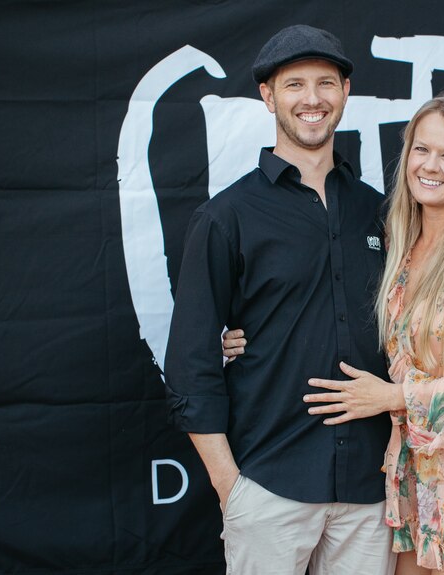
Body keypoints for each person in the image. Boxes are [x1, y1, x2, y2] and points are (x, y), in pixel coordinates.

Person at [163, 24, 396, 574]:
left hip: (370, 485)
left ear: (344, 93)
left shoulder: (381, 213)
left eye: (325, 83)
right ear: (268, 96)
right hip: (270, 482)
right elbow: (191, 361)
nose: (311, 99)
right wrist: (230, 486)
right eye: (294, 85)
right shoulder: (228, 216)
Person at [285, 94, 444, 574]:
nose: (430, 165)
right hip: (410, 481)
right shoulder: (395, 243)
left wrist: (391, 397)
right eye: (421, 150)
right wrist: (238, 337)